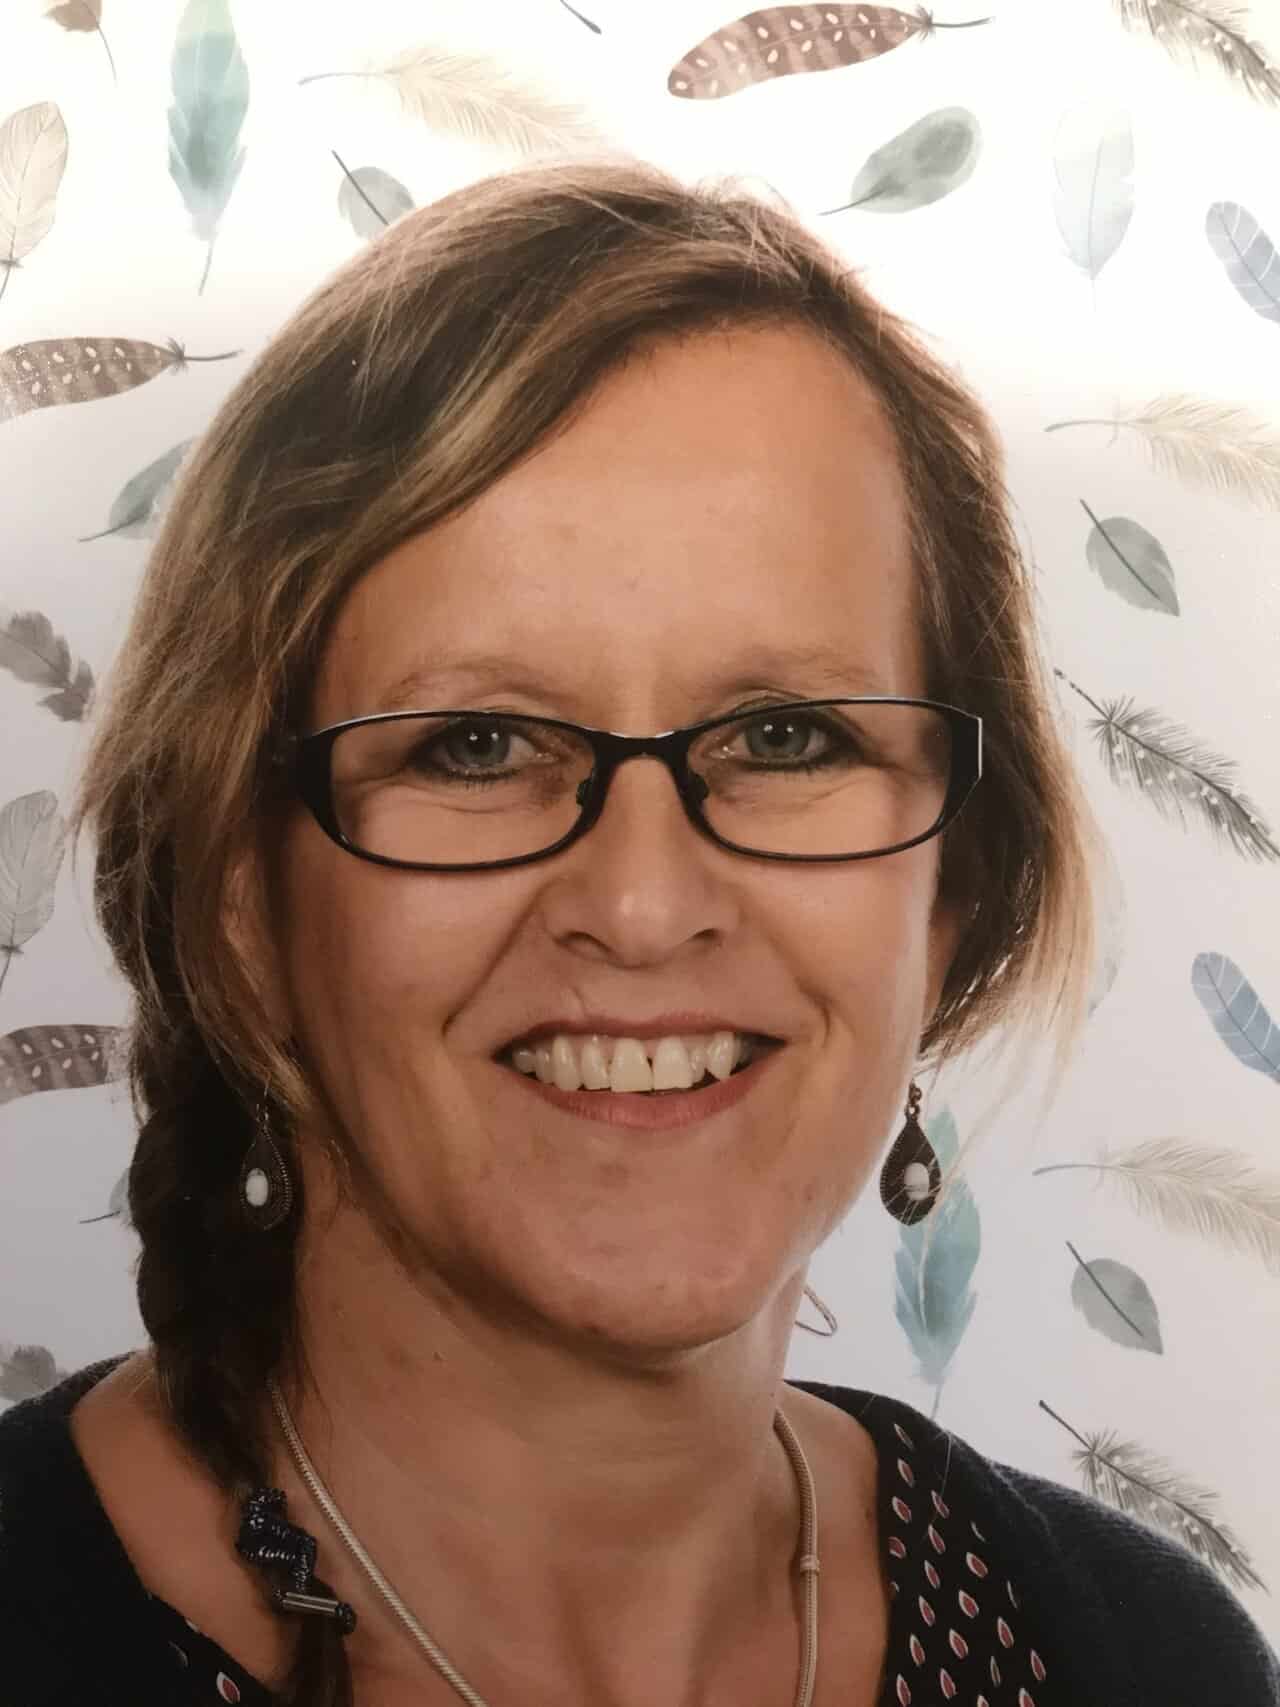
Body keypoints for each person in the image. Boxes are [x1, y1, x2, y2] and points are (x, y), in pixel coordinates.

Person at [1, 158, 1275, 1707]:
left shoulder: (1149, 1660)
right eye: (476, 745)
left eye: (788, 736)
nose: (644, 906)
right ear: (243, 903)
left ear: (951, 894)